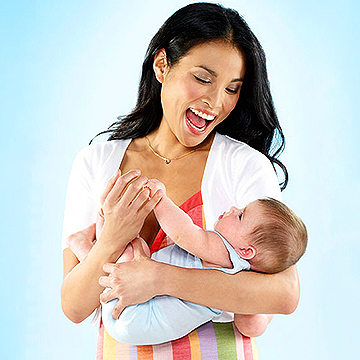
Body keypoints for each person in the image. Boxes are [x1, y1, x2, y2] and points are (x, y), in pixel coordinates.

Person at [61, 3, 300, 359]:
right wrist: (110, 239)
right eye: (203, 78)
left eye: (232, 89)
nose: (216, 102)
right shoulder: (97, 162)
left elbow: (284, 293)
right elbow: (74, 307)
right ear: (162, 65)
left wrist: (158, 278)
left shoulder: (243, 165)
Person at [67, 179, 307, 345]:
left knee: (128, 253)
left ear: (245, 250)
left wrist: (160, 199)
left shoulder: (223, 251)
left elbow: (184, 233)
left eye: (241, 215)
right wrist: (265, 312)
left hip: (135, 312)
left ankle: (90, 242)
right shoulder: (241, 280)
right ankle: (88, 245)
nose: (233, 208)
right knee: (137, 250)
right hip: (138, 323)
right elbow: (250, 327)